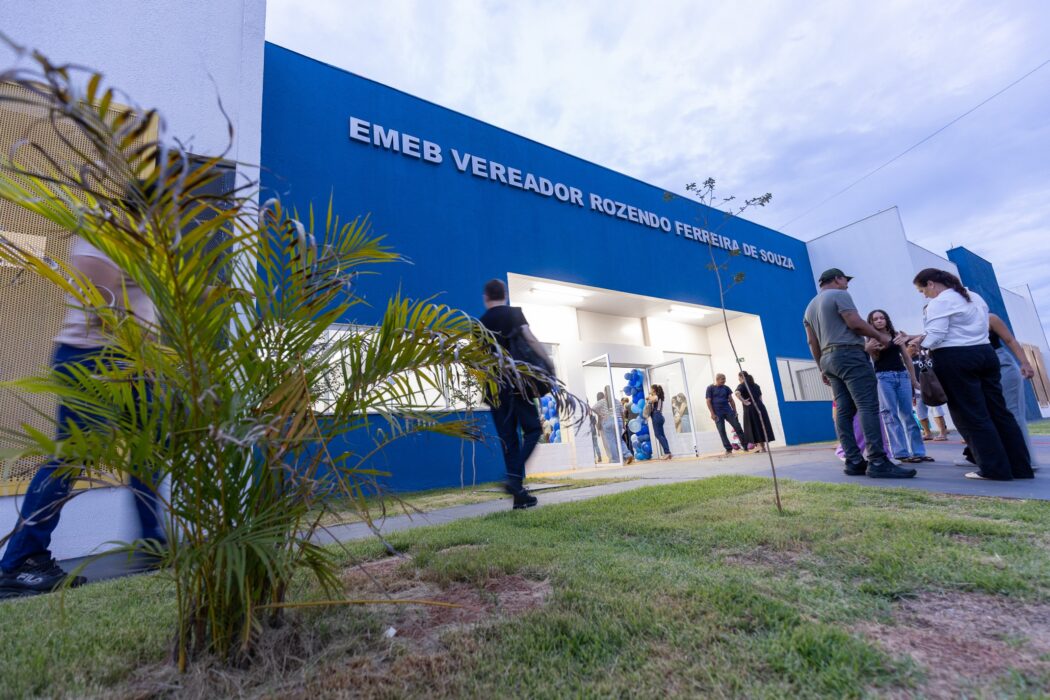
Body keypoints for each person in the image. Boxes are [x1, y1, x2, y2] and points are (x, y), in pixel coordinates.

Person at [0, 236, 167, 598]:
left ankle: (154, 545)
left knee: (147, 450)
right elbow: (100, 304)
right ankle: (20, 561)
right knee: (71, 458)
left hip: (133, 362)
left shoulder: (143, 235)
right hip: (94, 359)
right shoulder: (102, 234)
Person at [911, 268, 1032, 481]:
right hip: (986, 353)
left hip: (955, 357)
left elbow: (936, 335)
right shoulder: (974, 297)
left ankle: (994, 469)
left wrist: (920, 342)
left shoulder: (939, 302)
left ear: (930, 283)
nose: (925, 296)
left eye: (923, 291)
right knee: (999, 412)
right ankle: (1020, 467)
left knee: (972, 415)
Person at [802, 268, 916, 478]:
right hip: (850, 355)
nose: (847, 284)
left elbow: (812, 341)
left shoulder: (809, 308)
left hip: (828, 358)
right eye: (846, 280)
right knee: (867, 406)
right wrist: (881, 337)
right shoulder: (839, 294)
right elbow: (855, 323)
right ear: (837, 279)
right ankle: (878, 461)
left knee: (844, 410)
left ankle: (853, 460)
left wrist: (822, 367)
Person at [479, 278, 551, 509]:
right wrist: (548, 361)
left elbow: (477, 361)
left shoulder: (480, 323)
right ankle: (513, 480)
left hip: (494, 389)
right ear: (505, 295)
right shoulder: (513, 314)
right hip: (517, 383)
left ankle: (519, 497)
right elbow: (529, 338)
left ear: (486, 297)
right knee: (533, 429)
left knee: (509, 441)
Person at [865, 310, 932, 464]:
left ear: (886, 320)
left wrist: (913, 380)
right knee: (890, 414)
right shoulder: (870, 339)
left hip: (902, 376)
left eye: (882, 318)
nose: (879, 320)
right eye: (875, 319)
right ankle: (901, 453)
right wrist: (868, 349)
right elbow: (871, 360)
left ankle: (919, 452)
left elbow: (907, 358)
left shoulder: (896, 335)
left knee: (908, 414)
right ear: (871, 322)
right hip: (883, 378)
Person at [988, 313, 1040, 469]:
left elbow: (1010, 340)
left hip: (1002, 365)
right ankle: (981, 457)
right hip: (980, 368)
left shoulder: (989, 318)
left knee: (1013, 413)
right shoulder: (956, 321)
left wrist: (1025, 363)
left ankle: (1026, 460)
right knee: (987, 415)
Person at [906, 343, 950, 440]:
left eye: (915, 345)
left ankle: (943, 433)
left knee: (936, 410)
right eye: (911, 346)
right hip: (917, 391)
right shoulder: (905, 361)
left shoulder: (923, 357)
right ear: (906, 348)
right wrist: (912, 395)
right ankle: (927, 433)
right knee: (920, 413)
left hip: (930, 389)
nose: (914, 347)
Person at [706, 373, 748, 455]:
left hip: (728, 411)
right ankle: (728, 449)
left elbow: (731, 400)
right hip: (717, 413)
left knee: (737, 427)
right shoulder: (710, 388)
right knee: (722, 431)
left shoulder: (726, 388)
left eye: (724, 379)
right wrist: (712, 413)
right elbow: (708, 401)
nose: (724, 381)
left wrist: (735, 411)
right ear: (717, 379)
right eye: (722, 379)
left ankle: (745, 446)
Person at [736, 371, 775, 452]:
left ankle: (760, 447)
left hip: (751, 408)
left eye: (739, 378)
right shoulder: (756, 385)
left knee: (754, 427)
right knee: (761, 426)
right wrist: (760, 406)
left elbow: (737, 393)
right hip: (760, 407)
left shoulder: (742, 385)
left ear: (741, 377)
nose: (738, 379)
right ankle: (762, 447)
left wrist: (744, 401)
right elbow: (760, 398)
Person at [590, 392, 620, 463]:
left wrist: (599, 415)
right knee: (612, 441)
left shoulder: (599, 404)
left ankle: (611, 458)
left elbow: (594, 410)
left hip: (603, 424)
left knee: (606, 443)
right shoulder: (607, 403)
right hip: (611, 422)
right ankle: (616, 457)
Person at [647, 384, 672, 460]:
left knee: (658, 435)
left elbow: (649, 399)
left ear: (654, 390)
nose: (650, 390)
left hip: (656, 416)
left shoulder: (656, 396)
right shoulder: (658, 396)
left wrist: (649, 395)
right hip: (658, 416)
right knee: (662, 435)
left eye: (651, 389)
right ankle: (668, 452)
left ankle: (667, 452)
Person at [619, 397, 635, 464]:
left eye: (621, 401)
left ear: (623, 401)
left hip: (628, 424)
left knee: (629, 440)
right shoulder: (632, 405)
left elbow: (625, 416)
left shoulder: (626, 406)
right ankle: (632, 454)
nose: (621, 403)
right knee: (631, 439)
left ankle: (631, 454)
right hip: (634, 423)